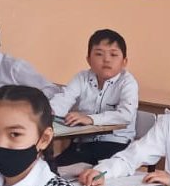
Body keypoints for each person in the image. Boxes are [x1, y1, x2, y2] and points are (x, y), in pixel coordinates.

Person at [50, 29, 138, 166]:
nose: (106, 59)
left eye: (114, 54)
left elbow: (126, 115)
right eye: (99, 54)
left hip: (115, 145)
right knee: (52, 168)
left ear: (124, 62)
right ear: (89, 60)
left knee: (89, 173)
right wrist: (49, 112)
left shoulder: (128, 83)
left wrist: (91, 119)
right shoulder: (82, 77)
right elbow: (65, 98)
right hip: (82, 144)